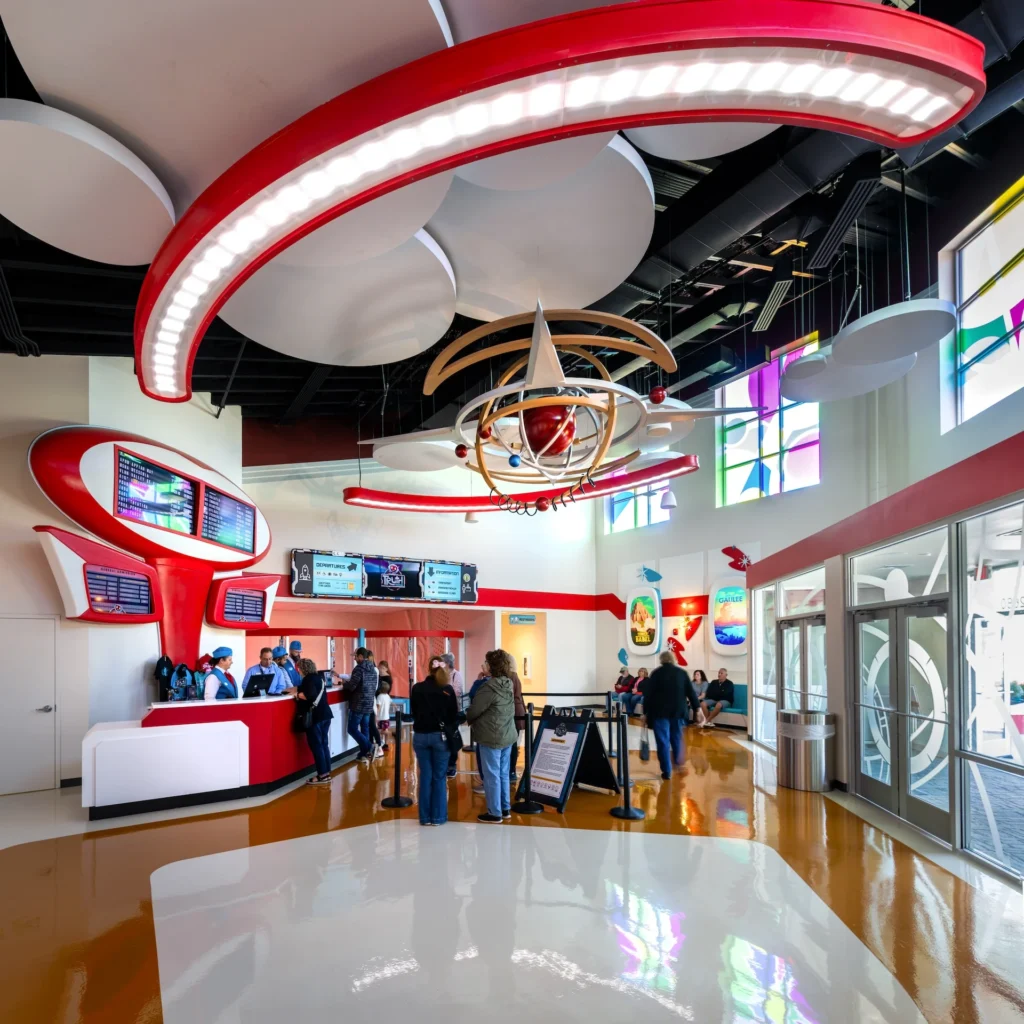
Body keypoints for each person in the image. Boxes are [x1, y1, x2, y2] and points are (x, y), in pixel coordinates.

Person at [467, 649, 518, 823]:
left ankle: (494, 812)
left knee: (491, 775)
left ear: (491, 666)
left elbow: (474, 709)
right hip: (507, 734)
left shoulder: (488, 687)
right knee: (503, 773)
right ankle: (505, 809)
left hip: (491, 736)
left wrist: (467, 717)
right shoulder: (507, 683)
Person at [410, 665, 459, 826]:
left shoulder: (417, 688)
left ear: (428, 672)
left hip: (420, 737)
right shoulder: (447, 690)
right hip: (440, 737)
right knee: (439, 777)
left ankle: (424, 818)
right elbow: (453, 716)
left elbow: (414, 712)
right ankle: (437, 818)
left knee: (425, 775)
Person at [644, 650, 700, 780]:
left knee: (663, 741)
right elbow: (691, 693)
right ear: (673, 659)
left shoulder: (656, 673)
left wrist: (645, 712)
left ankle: (667, 771)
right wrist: (697, 709)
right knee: (676, 738)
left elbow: (649, 695)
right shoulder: (682, 673)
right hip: (678, 712)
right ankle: (679, 764)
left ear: (661, 660)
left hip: (659, 713)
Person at [293, 658, 333, 785]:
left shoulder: (308, 679)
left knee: (317, 746)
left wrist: (298, 695)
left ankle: (322, 775)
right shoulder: (318, 677)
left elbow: (310, 696)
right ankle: (326, 771)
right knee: (323, 744)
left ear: (301, 668)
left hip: (315, 717)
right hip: (325, 714)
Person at [346, 647, 379, 762]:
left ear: (360, 656)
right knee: (365, 728)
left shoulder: (359, 669)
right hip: (369, 703)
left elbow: (351, 686)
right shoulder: (373, 669)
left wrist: (345, 684)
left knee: (352, 729)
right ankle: (364, 754)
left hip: (358, 704)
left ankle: (370, 747)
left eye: (355, 656)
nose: (354, 658)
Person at [508, 659, 526, 782]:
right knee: (514, 744)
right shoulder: (515, 676)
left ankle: (511, 770)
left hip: (513, 712)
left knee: (513, 745)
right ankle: (511, 770)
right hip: (518, 711)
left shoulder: (510, 677)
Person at [376, 680, 393, 751]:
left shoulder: (379, 697)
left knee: (378, 731)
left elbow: (378, 707)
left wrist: (376, 716)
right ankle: (385, 745)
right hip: (386, 717)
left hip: (380, 717)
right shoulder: (387, 696)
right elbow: (392, 703)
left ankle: (390, 733)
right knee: (385, 729)